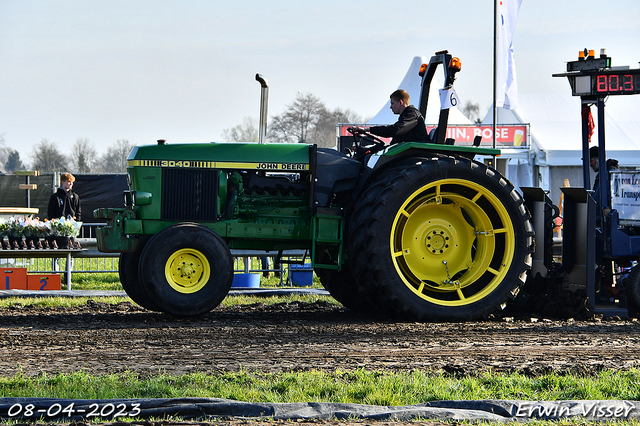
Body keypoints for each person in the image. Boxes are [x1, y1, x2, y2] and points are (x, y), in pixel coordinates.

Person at [359, 89, 429, 144]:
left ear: (401, 102)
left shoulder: (412, 114)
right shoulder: (406, 117)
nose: (390, 107)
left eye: (392, 103)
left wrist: (368, 129)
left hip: (415, 152)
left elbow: (395, 130)